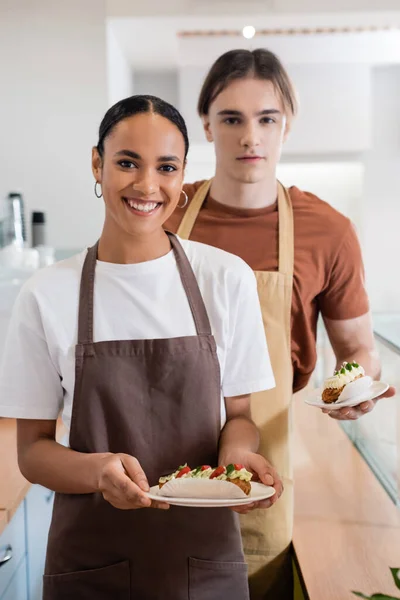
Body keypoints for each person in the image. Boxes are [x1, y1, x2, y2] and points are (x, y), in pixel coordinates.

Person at [0, 95, 284, 600]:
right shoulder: (46, 294)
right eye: (127, 162)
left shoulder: (224, 278)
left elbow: (239, 416)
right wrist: (97, 471)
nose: (147, 185)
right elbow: (32, 452)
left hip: (205, 566)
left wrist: (237, 458)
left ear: (182, 175)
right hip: (91, 567)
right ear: (97, 163)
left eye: (166, 167)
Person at [164, 49, 396, 600]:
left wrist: (354, 387)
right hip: (159, 457)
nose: (251, 136)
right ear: (206, 125)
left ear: (285, 125)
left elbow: (359, 348)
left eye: (267, 119)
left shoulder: (327, 230)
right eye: (232, 119)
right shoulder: (167, 215)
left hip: (261, 461)